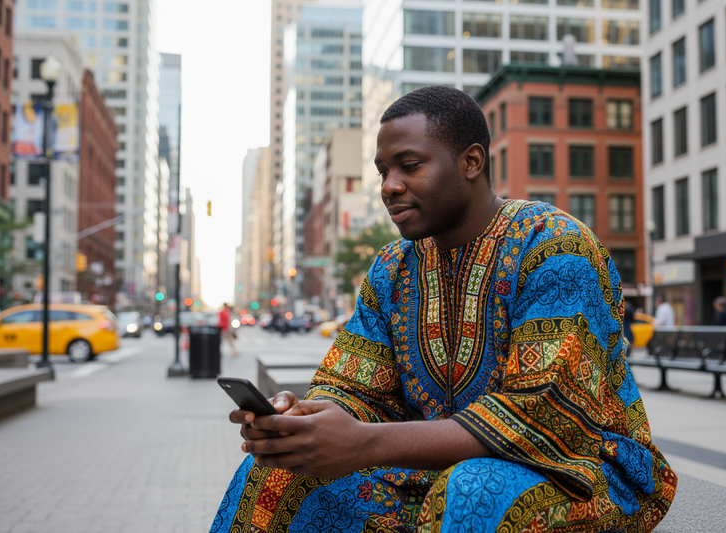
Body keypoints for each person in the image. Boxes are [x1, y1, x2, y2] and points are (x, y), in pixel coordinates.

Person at [211, 86, 676, 532]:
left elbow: (542, 416)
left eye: (409, 166)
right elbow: (353, 387)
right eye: (383, 172)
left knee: (473, 493)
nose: (390, 187)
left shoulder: (555, 248)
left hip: (582, 473)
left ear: (471, 161)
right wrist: (302, 421)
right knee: (276, 476)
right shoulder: (392, 268)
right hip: (430, 476)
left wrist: (363, 443)